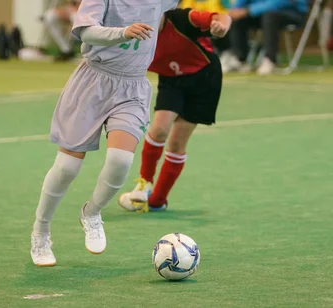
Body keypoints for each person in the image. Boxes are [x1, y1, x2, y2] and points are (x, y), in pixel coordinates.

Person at [29, 0, 179, 267]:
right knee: (66, 168)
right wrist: (123, 31)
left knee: (121, 161)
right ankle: (41, 231)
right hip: (93, 83)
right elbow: (86, 31)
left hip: (132, 86)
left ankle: (92, 212)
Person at [118, 8, 231, 213]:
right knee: (159, 130)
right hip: (171, 80)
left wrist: (221, 27)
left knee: (177, 142)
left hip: (204, 79)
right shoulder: (135, 34)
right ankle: (144, 185)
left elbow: (223, 17)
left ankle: (157, 201)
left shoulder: (182, 18)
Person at [223, 0, 308, 75]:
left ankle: (270, 60)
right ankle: (240, 60)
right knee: (237, 19)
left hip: (292, 12)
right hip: (262, 13)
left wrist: (248, 11)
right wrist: (234, 11)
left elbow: (278, 2)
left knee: (269, 16)